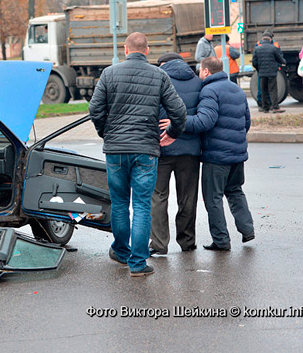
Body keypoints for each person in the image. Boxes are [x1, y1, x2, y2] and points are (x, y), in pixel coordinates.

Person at [89, 32, 186, 277]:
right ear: (147, 49)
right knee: (142, 206)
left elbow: (94, 109)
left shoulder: (109, 73)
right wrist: (172, 132)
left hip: (116, 150)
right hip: (145, 149)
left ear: (125, 49)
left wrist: (106, 133)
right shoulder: (159, 75)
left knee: (120, 203)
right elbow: (179, 111)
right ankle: (138, 264)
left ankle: (121, 252)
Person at [161, 57, 255, 251]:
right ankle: (247, 229)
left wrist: (177, 123)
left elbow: (205, 121)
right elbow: (247, 121)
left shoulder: (209, 90)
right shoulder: (236, 89)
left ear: (206, 72)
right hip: (237, 153)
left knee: (213, 198)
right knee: (235, 191)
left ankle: (221, 241)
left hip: (216, 156)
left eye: (200, 71)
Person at [148, 53, 203, 256]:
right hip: (190, 150)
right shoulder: (198, 82)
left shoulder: (158, 79)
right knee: (188, 197)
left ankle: (159, 244)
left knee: (158, 197)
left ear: (163, 64)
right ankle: (187, 241)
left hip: (161, 147)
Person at [252, 31, 286, 113]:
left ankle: (265, 108)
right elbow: (280, 59)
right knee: (273, 90)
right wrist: (282, 63)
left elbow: (254, 62)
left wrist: (259, 69)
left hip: (262, 73)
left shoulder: (257, 49)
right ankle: (275, 107)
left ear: (262, 39)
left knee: (263, 90)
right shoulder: (273, 48)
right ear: (270, 39)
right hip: (272, 73)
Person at [256, 29, 281, 104]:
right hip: (271, 70)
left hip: (261, 70)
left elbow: (255, 59)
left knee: (262, 88)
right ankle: (271, 104)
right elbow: (279, 56)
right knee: (272, 88)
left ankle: (263, 104)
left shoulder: (258, 44)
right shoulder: (275, 44)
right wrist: (276, 67)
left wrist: (258, 68)